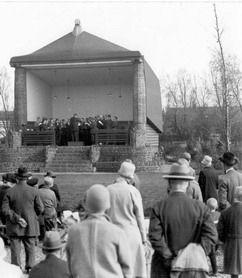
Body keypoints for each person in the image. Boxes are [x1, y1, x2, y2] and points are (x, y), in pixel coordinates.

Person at [149, 163, 217, 278]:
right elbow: (211, 235)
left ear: (169, 184)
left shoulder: (159, 207)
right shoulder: (201, 208)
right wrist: (197, 253)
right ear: (188, 184)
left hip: (164, 268)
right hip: (192, 267)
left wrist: (170, 258)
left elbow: (155, 237)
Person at [66, 184, 133, 278]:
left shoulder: (73, 232)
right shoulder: (117, 232)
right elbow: (127, 269)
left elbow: (70, 268)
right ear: (108, 205)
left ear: (85, 204)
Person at [107, 162, 147, 278]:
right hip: (130, 234)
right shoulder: (133, 191)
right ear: (130, 178)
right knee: (133, 270)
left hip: (112, 235)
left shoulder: (108, 189)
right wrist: (144, 239)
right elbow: (139, 216)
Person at [1, 166, 44, 273]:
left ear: (17, 178)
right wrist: (31, 216)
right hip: (30, 223)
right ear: (27, 178)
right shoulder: (34, 191)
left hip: (14, 224)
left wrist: (17, 218)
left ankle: (16, 268)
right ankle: (30, 267)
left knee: (15, 247)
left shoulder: (10, 192)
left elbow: (4, 209)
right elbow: (40, 208)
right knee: (30, 247)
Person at [217, 186, 242, 278]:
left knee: (234, 272)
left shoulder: (225, 212)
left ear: (234, 196)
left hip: (230, 243)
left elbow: (220, 232)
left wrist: (226, 241)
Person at [38, 177, 57, 241]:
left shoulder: (38, 191)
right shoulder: (52, 193)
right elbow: (55, 205)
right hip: (49, 213)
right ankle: (52, 235)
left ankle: (42, 236)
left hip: (40, 213)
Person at [207, 198, 221, 276]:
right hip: (218, 238)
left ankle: (215, 271)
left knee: (212, 255)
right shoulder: (219, 214)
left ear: (207, 206)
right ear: (217, 206)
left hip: (210, 238)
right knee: (213, 253)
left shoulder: (206, 215)